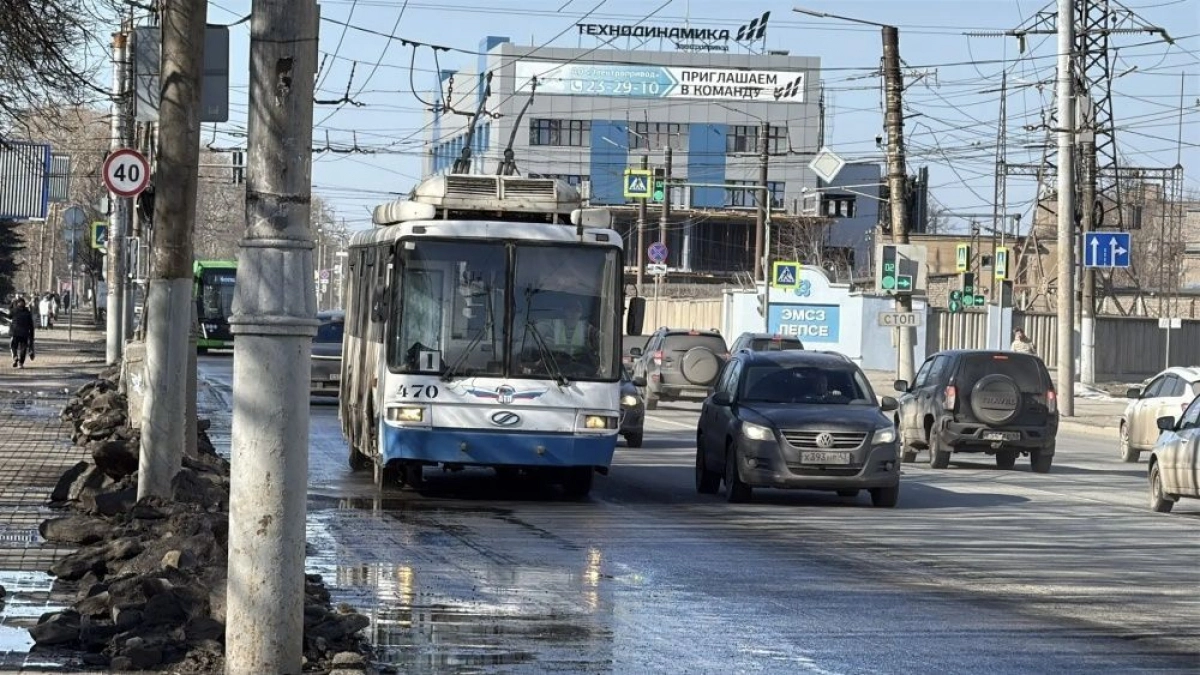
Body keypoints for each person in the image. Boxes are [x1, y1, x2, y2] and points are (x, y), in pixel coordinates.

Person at [9, 298, 35, 368]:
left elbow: (9, 315)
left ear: (17, 303)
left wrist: (12, 304)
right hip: (25, 333)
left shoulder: (14, 310)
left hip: (15, 332)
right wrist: (32, 335)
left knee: (13, 346)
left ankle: (15, 356)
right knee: (23, 348)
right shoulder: (27, 312)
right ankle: (21, 363)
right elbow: (31, 324)